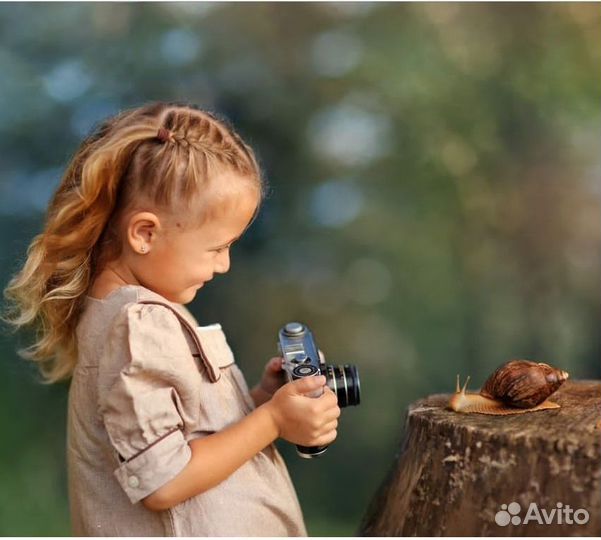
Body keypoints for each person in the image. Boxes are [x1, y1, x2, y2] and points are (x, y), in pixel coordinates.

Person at [2, 101, 340, 536]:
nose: (225, 265)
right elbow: (164, 480)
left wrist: (257, 400)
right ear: (145, 233)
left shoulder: (137, 314)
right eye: (217, 247)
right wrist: (272, 420)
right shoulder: (136, 324)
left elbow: (189, 436)